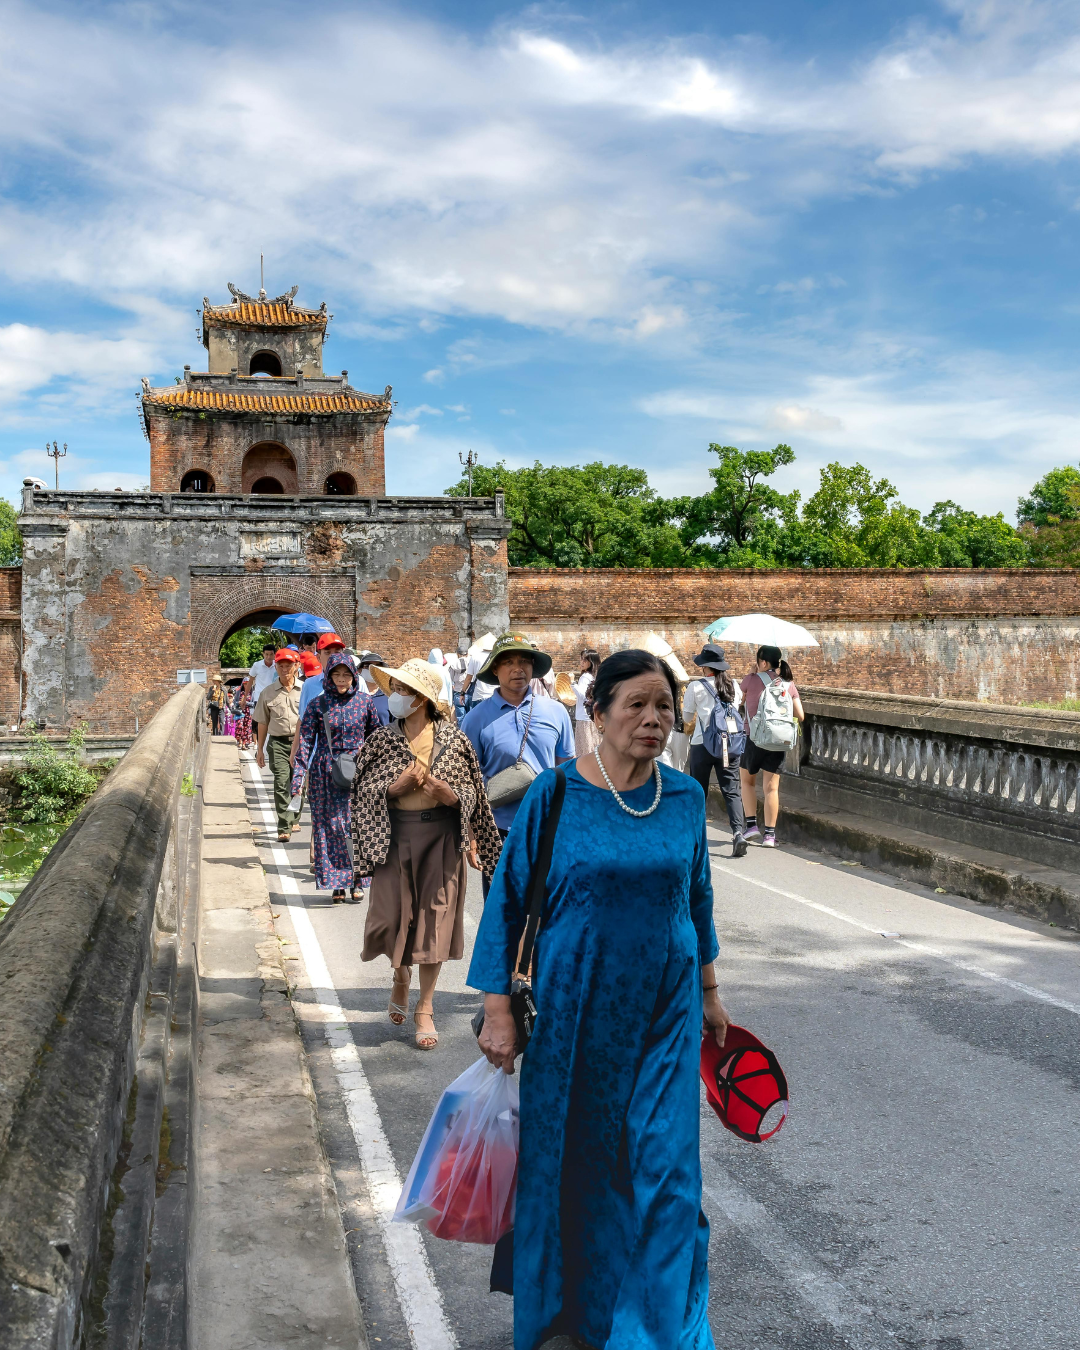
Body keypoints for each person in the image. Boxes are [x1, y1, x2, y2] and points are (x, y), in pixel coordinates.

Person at [469, 649, 730, 1347]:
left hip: (666, 1012)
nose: (652, 720)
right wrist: (498, 1010)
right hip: (574, 1010)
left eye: (664, 707)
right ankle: (574, 1313)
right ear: (598, 712)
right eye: (636, 705)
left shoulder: (683, 797)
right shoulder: (554, 796)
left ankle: (655, 1330)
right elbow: (508, 903)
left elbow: (697, 896)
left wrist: (710, 992)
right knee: (576, 1168)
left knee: (668, 1176)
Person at [351, 659, 502, 1049]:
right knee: (392, 916)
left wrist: (450, 796)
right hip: (394, 837)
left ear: (421, 699)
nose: (396, 697)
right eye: (396, 689)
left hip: (441, 838)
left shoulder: (455, 741)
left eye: (403, 690)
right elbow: (360, 790)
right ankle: (400, 977)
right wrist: (392, 789)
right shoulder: (382, 740)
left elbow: (475, 793)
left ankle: (426, 1006)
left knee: (435, 919)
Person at [460, 631, 574, 890]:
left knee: (548, 910)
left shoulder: (556, 712)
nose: (518, 668)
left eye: (524, 661)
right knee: (501, 911)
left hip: (547, 825)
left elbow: (567, 770)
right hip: (497, 829)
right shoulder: (476, 718)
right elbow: (467, 779)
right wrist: (471, 833)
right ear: (496, 669)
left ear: (533, 668)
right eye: (509, 662)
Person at [291, 653, 381, 902]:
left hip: (358, 771)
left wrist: (371, 755)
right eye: (336, 674)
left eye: (346, 674)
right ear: (328, 676)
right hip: (324, 773)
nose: (341, 679)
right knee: (330, 828)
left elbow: (377, 735)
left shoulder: (365, 702)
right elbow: (306, 742)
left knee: (357, 826)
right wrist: (298, 777)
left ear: (353, 676)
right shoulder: (317, 705)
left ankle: (357, 880)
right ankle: (337, 883)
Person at [685, 643, 747, 857]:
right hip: (729, 745)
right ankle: (738, 833)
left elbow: (685, 718)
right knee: (731, 790)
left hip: (703, 744)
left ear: (705, 666)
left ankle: (695, 837)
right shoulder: (734, 685)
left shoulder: (696, 687)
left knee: (698, 791)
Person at [740, 644, 805, 848]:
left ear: (764, 662)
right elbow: (800, 716)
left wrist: (751, 676)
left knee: (747, 782)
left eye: (758, 660)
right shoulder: (788, 685)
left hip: (755, 738)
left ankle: (751, 826)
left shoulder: (750, 680)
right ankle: (769, 835)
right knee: (771, 788)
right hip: (778, 741)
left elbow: (739, 702)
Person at [253, 649, 303, 841]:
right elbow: (262, 722)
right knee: (282, 782)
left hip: (301, 743)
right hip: (278, 744)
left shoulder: (305, 690)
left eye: (288, 665)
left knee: (299, 784)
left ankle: (294, 817)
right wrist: (260, 749)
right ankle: (284, 826)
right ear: (276, 667)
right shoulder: (268, 693)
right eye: (280, 665)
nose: (284, 669)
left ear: (297, 666)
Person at [572, 648, 600, 757]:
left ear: (591, 662)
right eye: (581, 659)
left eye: (585, 660)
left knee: (585, 749)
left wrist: (573, 683)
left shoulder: (584, 677)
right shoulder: (595, 676)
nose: (582, 662)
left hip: (584, 717)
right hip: (593, 716)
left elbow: (583, 696)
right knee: (594, 746)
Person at [356, 652, 391, 725]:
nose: (372, 669)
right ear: (359, 670)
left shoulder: (388, 695)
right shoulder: (353, 695)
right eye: (367, 666)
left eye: (377, 666)